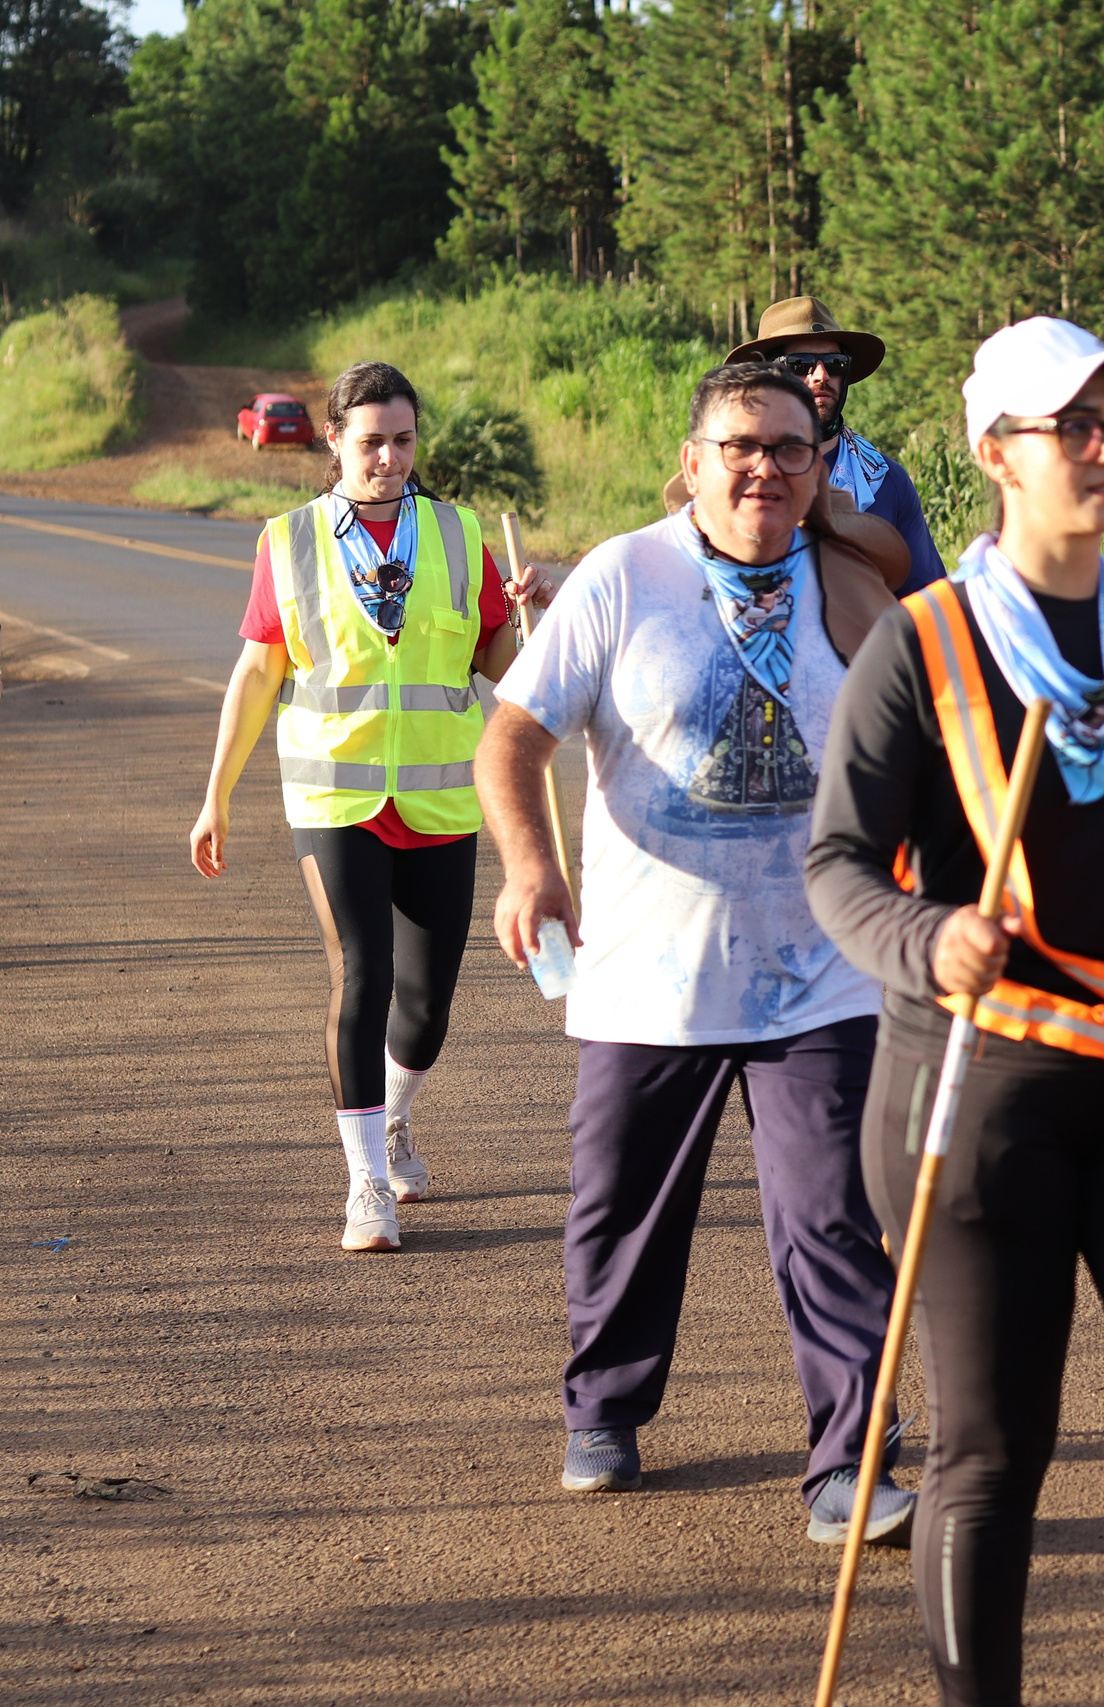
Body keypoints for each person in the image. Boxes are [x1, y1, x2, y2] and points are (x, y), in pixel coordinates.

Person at [804, 316, 1104, 1707]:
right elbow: (834, 865)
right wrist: (928, 931)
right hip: (977, 1077)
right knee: (993, 1449)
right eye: (1077, 426)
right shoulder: (923, 643)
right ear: (994, 451)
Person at [476, 360, 915, 1548]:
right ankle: (605, 1408)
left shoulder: (856, 591)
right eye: (740, 446)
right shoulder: (624, 576)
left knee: (836, 1218)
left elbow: (920, 756)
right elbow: (512, 737)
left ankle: (851, 1463)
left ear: (820, 471)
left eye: (788, 447)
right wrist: (531, 867)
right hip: (645, 976)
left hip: (821, 972)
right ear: (693, 462)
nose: (763, 466)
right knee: (622, 1214)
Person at [188, 361, 541, 1254]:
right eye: (371, 440)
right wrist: (215, 796)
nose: (388, 456)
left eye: (404, 440)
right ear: (335, 442)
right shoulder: (290, 540)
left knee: (427, 1004)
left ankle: (393, 1117)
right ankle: (364, 1184)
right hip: (334, 793)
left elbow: (502, 659)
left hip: (439, 795)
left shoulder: (460, 536)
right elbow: (258, 671)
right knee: (363, 972)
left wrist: (538, 618)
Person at [726, 296, 945, 594]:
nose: (821, 376)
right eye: (800, 365)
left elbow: (926, 599)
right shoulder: (731, 473)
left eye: (835, 364)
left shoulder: (884, 481)